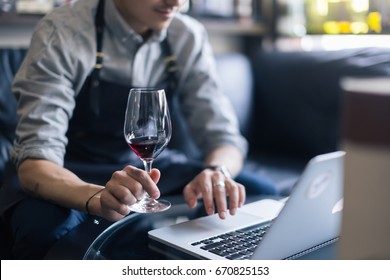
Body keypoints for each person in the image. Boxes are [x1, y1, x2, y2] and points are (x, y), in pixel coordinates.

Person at [0, 0, 276, 259]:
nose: (176, 2)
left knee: (259, 193)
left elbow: (224, 138)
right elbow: (35, 165)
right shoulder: (63, 30)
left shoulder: (187, 34)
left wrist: (217, 172)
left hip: (148, 169)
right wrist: (97, 197)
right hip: (67, 172)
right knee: (45, 230)